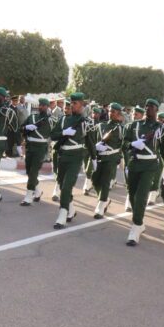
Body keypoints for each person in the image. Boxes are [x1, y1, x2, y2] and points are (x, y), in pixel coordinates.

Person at [123, 98, 164, 246]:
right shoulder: (134, 125)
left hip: (150, 166)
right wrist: (132, 144)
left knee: (141, 196)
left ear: (156, 110)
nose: (147, 109)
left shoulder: (162, 129)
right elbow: (124, 143)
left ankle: (136, 227)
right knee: (132, 195)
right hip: (134, 163)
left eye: (151, 107)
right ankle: (139, 223)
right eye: (146, 106)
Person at [49, 92, 95, 229]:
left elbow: (90, 142)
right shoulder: (63, 120)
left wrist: (94, 158)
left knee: (66, 187)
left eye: (75, 103)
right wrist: (64, 133)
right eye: (71, 103)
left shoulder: (87, 122)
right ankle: (71, 209)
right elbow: (53, 135)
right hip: (62, 156)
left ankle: (62, 214)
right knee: (61, 185)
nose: (72, 105)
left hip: (76, 157)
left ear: (82, 105)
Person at [90, 103, 124, 219]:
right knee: (95, 180)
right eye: (109, 111)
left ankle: (101, 205)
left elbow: (123, 144)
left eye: (113, 112)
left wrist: (120, 157)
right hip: (100, 157)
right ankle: (105, 199)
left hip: (111, 158)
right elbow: (93, 139)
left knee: (105, 182)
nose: (110, 113)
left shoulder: (120, 129)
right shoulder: (101, 125)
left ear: (118, 114)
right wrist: (96, 146)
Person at [20, 97, 52, 206]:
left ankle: (28, 196)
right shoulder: (32, 117)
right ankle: (38, 191)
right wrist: (26, 127)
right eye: (40, 105)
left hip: (40, 148)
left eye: (43, 105)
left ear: (47, 107)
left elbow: (55, 134)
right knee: (29, 172)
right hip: (30, 146)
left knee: (33, 172)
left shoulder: (50, 120)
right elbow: (21, 128)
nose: (41, 107)